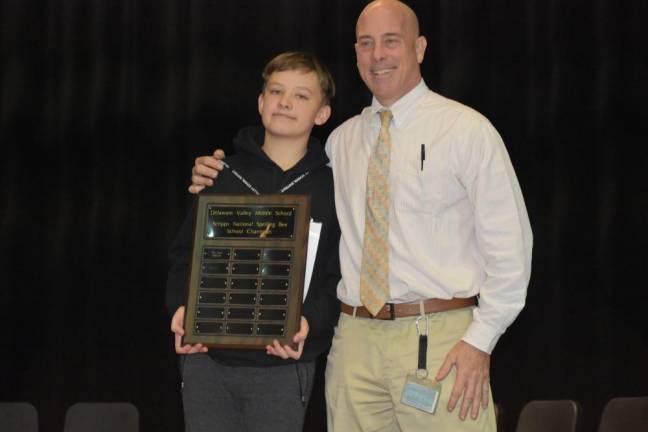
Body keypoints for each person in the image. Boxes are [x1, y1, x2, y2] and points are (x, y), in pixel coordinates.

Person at [188, 1, 533, 431]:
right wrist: (219, 172)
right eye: (367, 44)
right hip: (352, 341)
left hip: (441, 338)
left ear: (420, 47)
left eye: (391, 41)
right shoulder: (341, 142)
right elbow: (281, 187)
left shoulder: (466, 130)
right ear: (356, 53)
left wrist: (480, 342)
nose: (378, 55)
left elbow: (511, 249)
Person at [166, 51, 341, 432]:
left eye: (301, 96)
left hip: (281, 368)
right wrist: (180, 307)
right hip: (206, 363)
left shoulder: (331, 188)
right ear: (261, 102)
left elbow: (334, 276)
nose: (285, 102)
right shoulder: (218, 174)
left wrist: (309, 323)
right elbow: (185, 256)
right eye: (276, 91)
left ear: (322, 113)